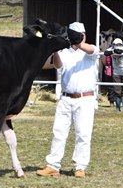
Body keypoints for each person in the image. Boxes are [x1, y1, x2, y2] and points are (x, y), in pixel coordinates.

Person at [36, 22, 99, 178]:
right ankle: (53, 165)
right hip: (66, 97)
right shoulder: (64, 52)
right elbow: (58, 65)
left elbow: (91, 50)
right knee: (59, 132)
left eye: (81, 34)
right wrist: (55, 50)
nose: (79, 37)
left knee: (83, 134)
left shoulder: (91, 50)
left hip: (85, 98)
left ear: (84, 35)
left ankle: (80, 167)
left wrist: (79, 42)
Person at [104, 38, 123, 112]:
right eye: (115, 45)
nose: (116, 46)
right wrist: (112, 50)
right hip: (116, 72)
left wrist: (113, 51)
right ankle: (117, 108)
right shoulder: (111, 49)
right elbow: (105, 53)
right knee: (117, 90)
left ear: (121, 44)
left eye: (118, 44)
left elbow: (119, 51)